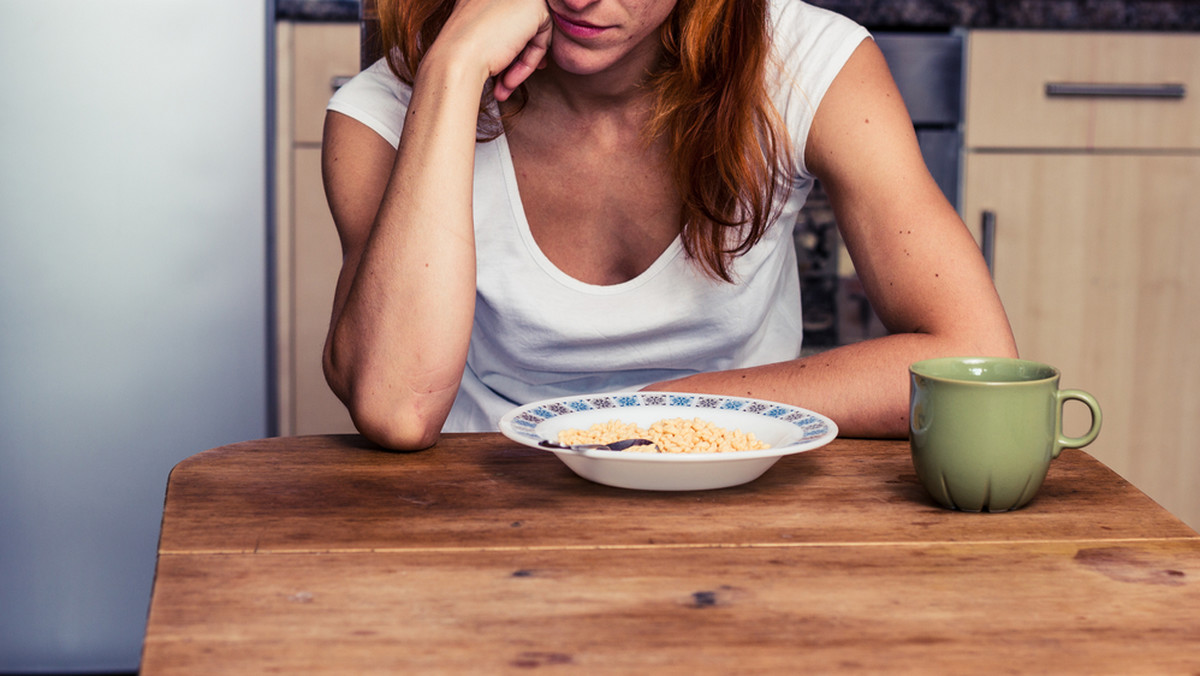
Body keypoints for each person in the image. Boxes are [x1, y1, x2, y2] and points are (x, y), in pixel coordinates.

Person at [320, 0, 1017, 451]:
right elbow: (395, 410)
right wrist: (454, 69)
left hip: (735, 485)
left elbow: (974, 355)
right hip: (479, 502)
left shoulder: (807, 63)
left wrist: (638, 415)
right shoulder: (382, 112)